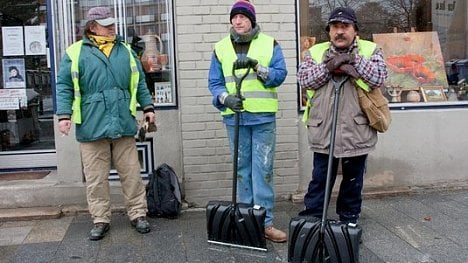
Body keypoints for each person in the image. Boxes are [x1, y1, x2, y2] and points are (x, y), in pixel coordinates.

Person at [55, 6, 156, 241]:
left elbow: (139, 82)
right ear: (92, 27)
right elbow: (64, 86)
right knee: (96, 178)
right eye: (106, 24)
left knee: (131, 174)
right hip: (92, 124)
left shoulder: (127, 51)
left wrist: (148, 108)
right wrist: (63, 116)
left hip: (122, 122)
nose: (112, 28)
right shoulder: (75, 52)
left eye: (113, 23)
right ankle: (101, 219)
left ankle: (138, 214)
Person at [297, 7, 387, 224]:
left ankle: (348, 222)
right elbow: (305, 80)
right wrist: (329, 66)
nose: (340, 31)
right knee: (319, 180)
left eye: (345, 26)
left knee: (353, 181)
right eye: (335, 27)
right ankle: (312, 221)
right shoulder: (315, 53)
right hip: (324, 130)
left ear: (355, 30)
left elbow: (379, 78)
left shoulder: (371, 50)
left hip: (356, 130)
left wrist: (353, 60)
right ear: (329, 31)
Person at [208, 0, 288, 243]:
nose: (238, 21)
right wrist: (225, 98)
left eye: (243, 16)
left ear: (252, 19)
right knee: (242, 171)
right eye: (235, 17)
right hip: (235, 118)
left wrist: (256, 66)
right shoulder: (220, 47)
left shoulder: (269, 43)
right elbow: (214, 83)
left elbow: (279, 75)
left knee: (262, 170)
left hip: (262, 118)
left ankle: (264, 223)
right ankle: (245, 222)